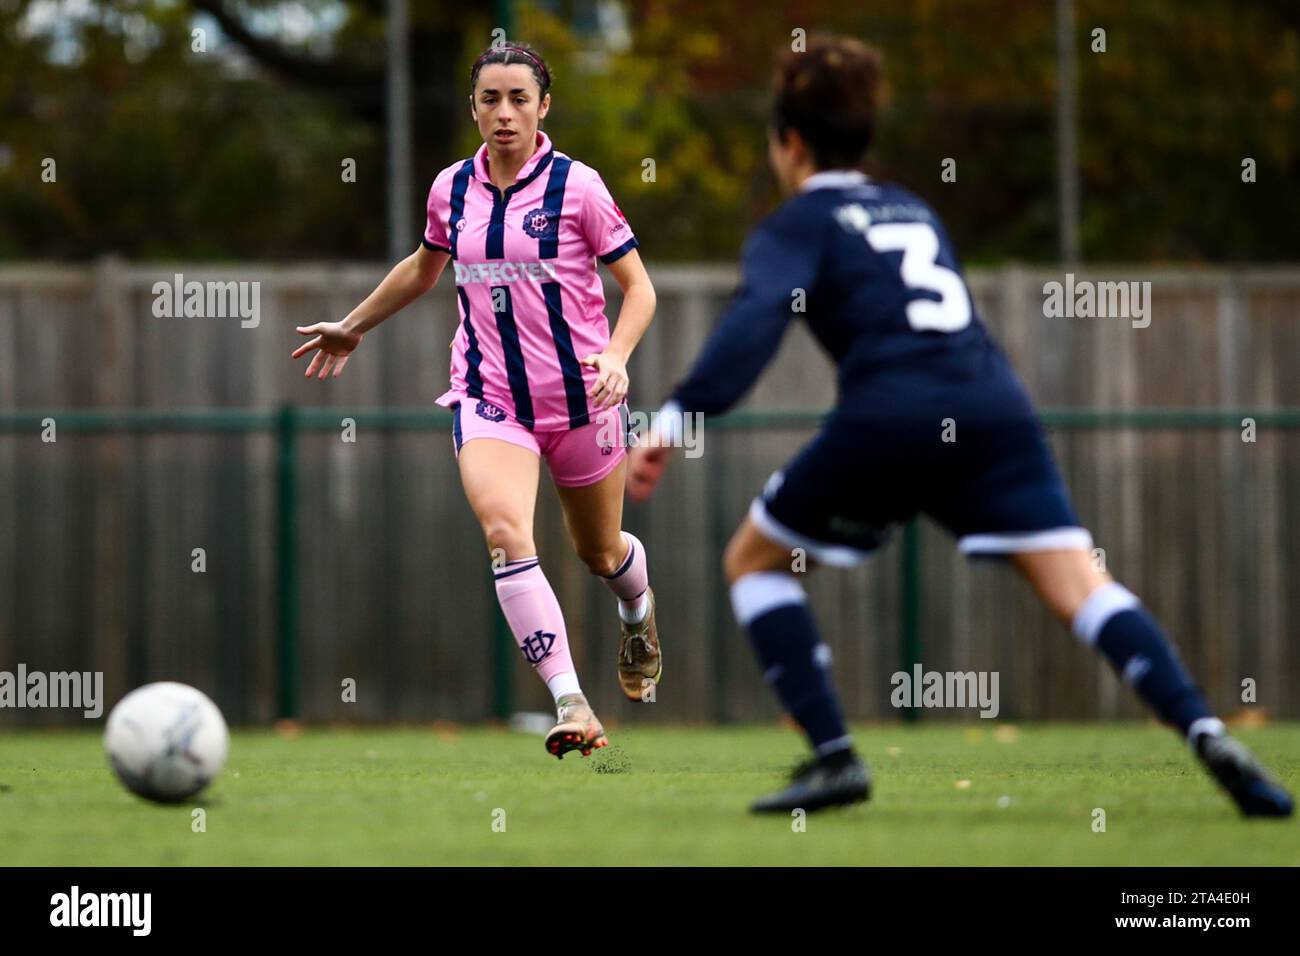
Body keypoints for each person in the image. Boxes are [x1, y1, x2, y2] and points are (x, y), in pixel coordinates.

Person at [628, 34, 1292, 816]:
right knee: (1082, 583)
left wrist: (674, 417)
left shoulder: (798, 223)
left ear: (791, 142)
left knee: (753, 559)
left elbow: (756, 321)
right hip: (993, 408)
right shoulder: (913, 207)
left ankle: (836, 756)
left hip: (890, 416)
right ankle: (1205, 729)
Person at [294, 43, 662, 759]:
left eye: (519, 98)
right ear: (473, 108)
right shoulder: (449, 189)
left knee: (599, 550)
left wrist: (616, 356)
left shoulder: (578, 188)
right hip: (490, 399)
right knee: (504, 533)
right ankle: (571, 702)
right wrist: (353, 325)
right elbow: (424, 267)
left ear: (543, 107)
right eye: (490, 99)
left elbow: (641, 288)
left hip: (582, 402)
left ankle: (637, 612)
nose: (504, 113)